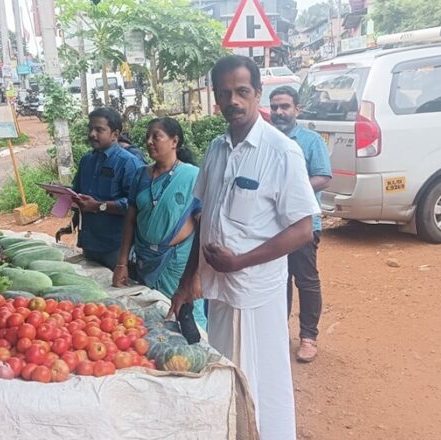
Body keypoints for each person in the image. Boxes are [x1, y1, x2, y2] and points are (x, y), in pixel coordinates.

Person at [169, 55, 319, 439]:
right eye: (224, 93)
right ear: (215, 98)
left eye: (241, 91)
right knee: (228, 375)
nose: (232, 101)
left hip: (256, 294)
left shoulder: (281, 150)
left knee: (263, 384)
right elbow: (203, 220)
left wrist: (242, 261)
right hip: (219, 294)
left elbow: (302, 229)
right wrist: (189, 279)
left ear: (258, 93)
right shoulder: (217, 151)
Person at [112, 117, 207, 336]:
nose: (149, 141)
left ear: (174, 141)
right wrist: (122, 262)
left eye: (157, 136)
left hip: (177, 265)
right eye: (147, 137)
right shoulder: (140, 175)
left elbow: (204, 226)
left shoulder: (193, 176)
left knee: (188, 318)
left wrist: (198, 275)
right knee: (152, 320)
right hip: (144, 262)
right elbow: (131, 219)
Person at [268, 85, 332, 362]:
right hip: (270, 226)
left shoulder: (310, 140)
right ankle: (278, 334)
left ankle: (308, 337)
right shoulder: (266, 140)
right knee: (277, 281)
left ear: (297, 109)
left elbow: (323, 176)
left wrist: (291, 191)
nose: (279, 112)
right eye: (274, 107)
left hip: (303, 225)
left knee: (305, 281)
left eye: (284, 106)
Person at [72, 107, 143, 270]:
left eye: (99, 130)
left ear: (115, 134)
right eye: (90, 129)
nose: (92, 134)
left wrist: (98, 206)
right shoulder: (86, 161)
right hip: (89, 242)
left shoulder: (128, 163)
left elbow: (135, 205)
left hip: (115, 247)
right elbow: (77, 193)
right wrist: (61, 194)